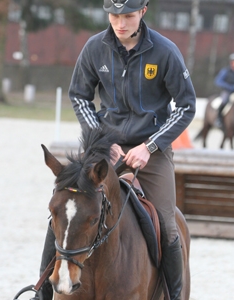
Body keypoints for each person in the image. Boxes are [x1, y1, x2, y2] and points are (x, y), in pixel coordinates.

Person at [32, 1, 196, 299]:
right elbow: (80, 97)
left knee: (168, 224)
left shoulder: (166, 51)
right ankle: (42, 294)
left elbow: (186, 106)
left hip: (153, 152)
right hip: (105, 149)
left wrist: (149, 146)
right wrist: (101, 138)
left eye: (128, 16)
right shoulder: (94, 47)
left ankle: (173, 296)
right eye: (115, 16)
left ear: (143, 11)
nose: (121, 23)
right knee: (64, 208)